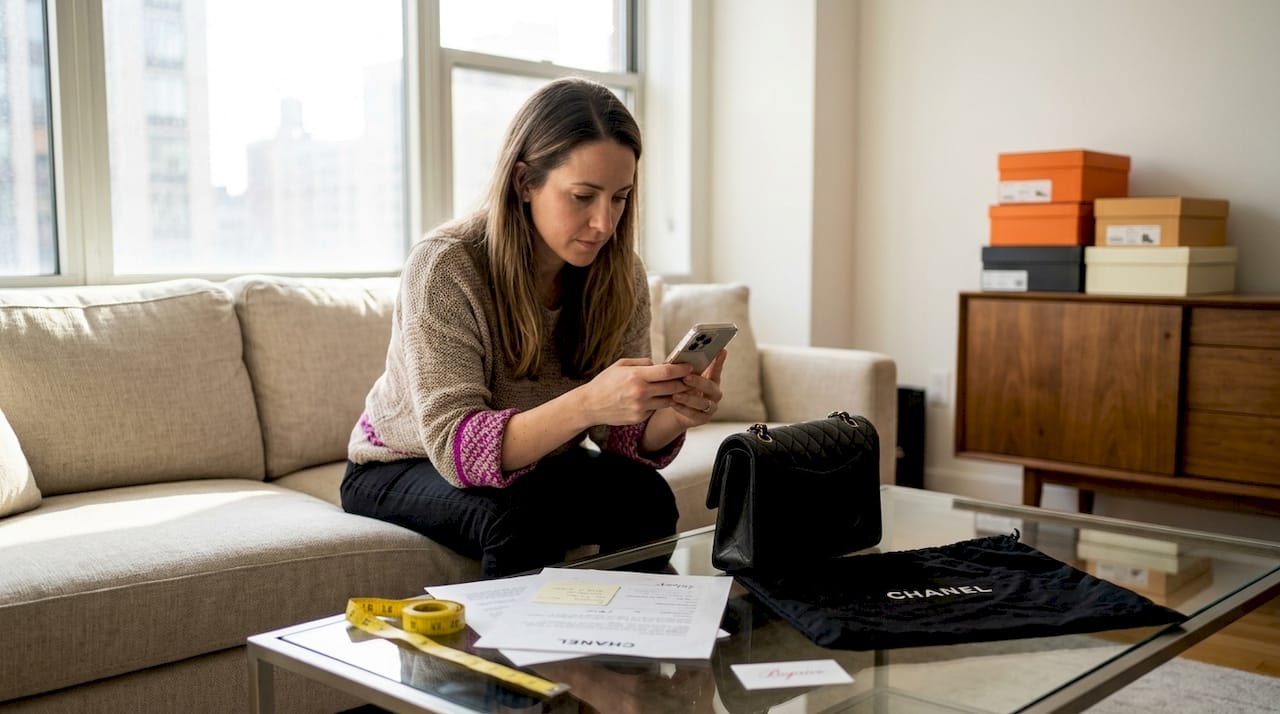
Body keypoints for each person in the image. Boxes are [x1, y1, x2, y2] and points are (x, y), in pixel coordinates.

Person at [341, 77, 727, 578]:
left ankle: (630, 650)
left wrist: (675, 412)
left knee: (644, 497)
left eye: (619, 198)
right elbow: (459, 450)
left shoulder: (620, 274)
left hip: (538, 457)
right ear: (525, 183)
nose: (604, 224)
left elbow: (621, 440)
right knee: (520, 519)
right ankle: (512, 659)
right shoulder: (447, 267)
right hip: (399, 463)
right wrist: (588, 402)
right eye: (583, 196)